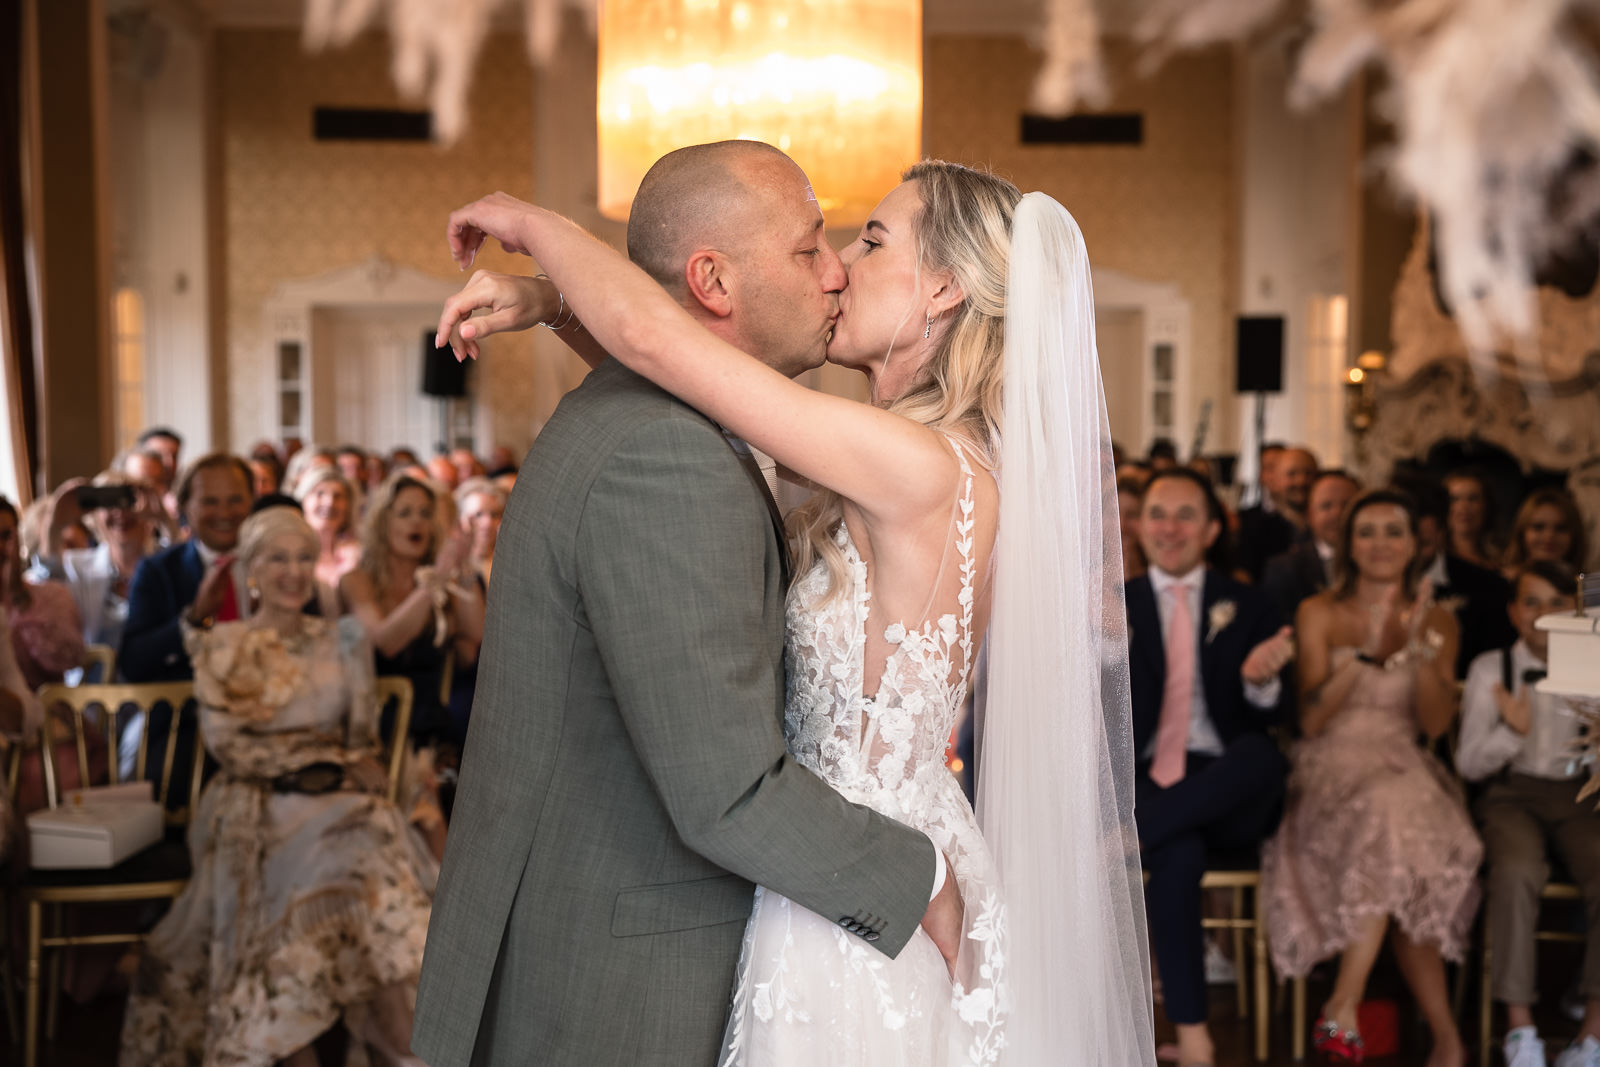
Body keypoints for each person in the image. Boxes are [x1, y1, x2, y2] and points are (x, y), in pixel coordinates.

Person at [419, 147, 1151, 1065]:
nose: (841, 266)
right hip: (833, 865)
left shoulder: (920, 468)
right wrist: (557, 306)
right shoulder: (899, 455)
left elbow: (663, 343)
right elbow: (697, 394)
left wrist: (542, 233)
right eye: (830, 245)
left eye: (874, 240)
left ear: (943, 292)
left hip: (863, 883)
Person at [118, 508, 434, 1067]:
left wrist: (356, 766)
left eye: (304, 558)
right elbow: (229, 746)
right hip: (255, 798)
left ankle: (385, 1029)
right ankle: (297, 1039)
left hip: (337, 798)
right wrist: (314, 765)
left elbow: (361, 742)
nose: (293, 571)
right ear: (251, 569)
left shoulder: (343, 639)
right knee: (348, 849)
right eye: (278, 558)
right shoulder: (223, 644)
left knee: (372, 835)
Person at [1261, 489, 1481, 1067]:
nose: (1380, 543)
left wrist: (1423, 655)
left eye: (1394, 531)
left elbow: (1433, 723)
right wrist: (1363, 654)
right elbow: (1309, 721)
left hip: (1405, 764)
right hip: (1331, 767)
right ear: (1350, 544)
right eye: (1368, 531)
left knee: (1399, 834)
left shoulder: (1438, 620)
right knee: (1401, 847)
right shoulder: (1319, 611)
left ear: (1414, 544)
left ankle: (1345, 1006)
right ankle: (1445, 1039)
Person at [1126, 466, 1294, 1067]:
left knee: (1260, 755)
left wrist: (1261, 685)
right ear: (1141, 527)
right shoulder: (1115, 606)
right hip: (1150, 781)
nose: (1170, 528)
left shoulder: (1248, 604)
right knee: (1179, 855)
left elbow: (1283, 709)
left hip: (1225, 784)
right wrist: (1096, 654)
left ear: (1213, 529)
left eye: (1186, 515)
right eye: (1158, 514)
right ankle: (1195, 1037)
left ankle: (1127, 842)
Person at [1457, 561, 1600, 1067]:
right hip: (1511, 795)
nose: (1544, 615)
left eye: (1558, 603)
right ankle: (1521, 1028)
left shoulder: (1596, 668)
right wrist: (1510, 732)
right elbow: (1468, 764)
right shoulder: (1489, 668)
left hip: (1580, 793)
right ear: (1514, 613)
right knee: (1515, 871)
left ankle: (1592, 1034)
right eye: (1532, 602)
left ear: (1577, 612)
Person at [120, 453, 254, 789]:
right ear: (185, 508)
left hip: (273, 720)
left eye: (235, 500)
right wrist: (194, 618)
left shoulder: (277, 563)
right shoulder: (159, 571)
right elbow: (133, 663)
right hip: (188, 725)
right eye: (210, 501)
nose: (224, 513)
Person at [339, 473, 482, 751]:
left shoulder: (441, 585)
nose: (417, 521)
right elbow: (386, 642)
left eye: (425, 513)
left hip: (430, 734)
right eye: (404, 513)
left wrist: (463, 567)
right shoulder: (357, 580)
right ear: (383, 523)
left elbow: (475, 633)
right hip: (374, 729)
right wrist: (437, 579)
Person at [1399, 477, 1516, 679]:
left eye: (1423, 544)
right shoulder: (1366, 585)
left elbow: (1497, 666)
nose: (1411, 553)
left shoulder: (1489, 587)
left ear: (1442, 530)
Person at [1261, 469, 1361, 622]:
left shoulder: (1381, 562)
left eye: (1347, 505)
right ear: (1310, 515)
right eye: (1326, 506)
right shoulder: (1284, 568)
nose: (1338, 514)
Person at [1236, 446, 1316, 582]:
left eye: (1309, 473)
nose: (1301, 481)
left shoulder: (1328, 525)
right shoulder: (1252, 527)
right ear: (1274, 481)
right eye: (1292, 474)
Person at [294, 466, 362, 591]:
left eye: (338, 496)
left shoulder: (360, 555)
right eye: (320, 494)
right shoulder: (291, 553)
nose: (329, 502)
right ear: (303, 501)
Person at [1502, 487, 1588, 580]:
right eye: (1538, 527)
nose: (1549, 536)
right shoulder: (1502, 581)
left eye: (1560, 528)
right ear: (1522, 532)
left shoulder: (1590, 587)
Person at [454, 476, 504, 587]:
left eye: (495, 514)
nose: (487, 523)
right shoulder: (453, 567)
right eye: (478, 515)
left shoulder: (512, 562)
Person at [1444, 469, 1499, 570]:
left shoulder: (1501, 559)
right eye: (1454, 499)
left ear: (1486, 506)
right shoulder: (1433, 558)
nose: (1463, 507)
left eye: (1473, 499)